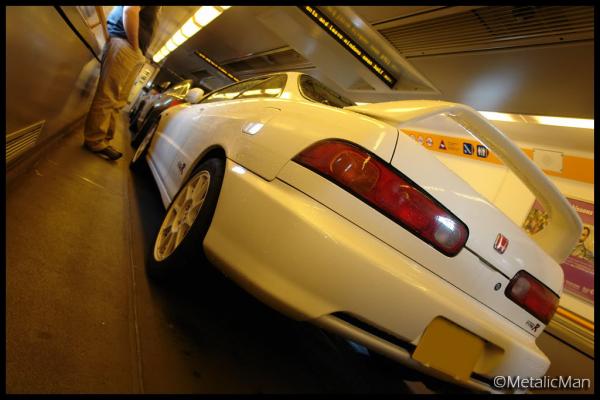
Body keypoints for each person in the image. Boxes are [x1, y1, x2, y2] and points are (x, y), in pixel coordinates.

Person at [83, 6, 161, 160]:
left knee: (119, 100)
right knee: (108, 94)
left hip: (130, 47)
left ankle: (104, 138)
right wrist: (135, 46)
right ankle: (95, 140)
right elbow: (130, 11)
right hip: (126, 43)